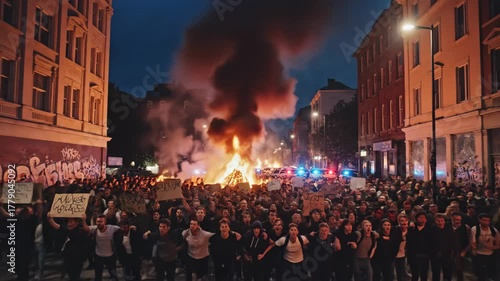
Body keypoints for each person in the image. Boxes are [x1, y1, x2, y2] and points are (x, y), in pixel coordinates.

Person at [46, 212, 89, 281]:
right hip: (68, 257)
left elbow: (87, 230)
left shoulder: (81, 231)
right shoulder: (67, 230)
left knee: (75, 276)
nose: (69, 223)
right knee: (71, 275)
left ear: (77, 222)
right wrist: (49, 218)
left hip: (78, 259)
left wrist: (84, 220)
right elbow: (55, 225)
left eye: (71, 221)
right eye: (68, 221)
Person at [83, 214, 121, 281]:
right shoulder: (95, 229)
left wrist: (131, 227)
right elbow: (86, 228)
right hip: (99, 256)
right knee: (98, 276)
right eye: (97, 221)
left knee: (113, 275)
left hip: (110, 256)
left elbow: (122, 228)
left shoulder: (112, 228)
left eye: (101, 222)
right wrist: (83, 220)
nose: (99, 223)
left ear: (105, 222)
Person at [470, 213, 500, 281]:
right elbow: (473, 243)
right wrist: (476, 247)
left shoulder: (494, 230)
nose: (486, 222)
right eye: (484, 220)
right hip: (479, 255)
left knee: (491, 274)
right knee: (481, 275)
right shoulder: (475, 229)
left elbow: (498, 246)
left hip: (490, 255)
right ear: (480, 220)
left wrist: (491, 247)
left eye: (488, 220)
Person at [407, 211, 432, 281]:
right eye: (421, 217)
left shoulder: (429, 229)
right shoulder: (411, 229)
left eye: (424, 218)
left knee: (424, 276)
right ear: (416, 219)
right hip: (413, 256)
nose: (423, 219)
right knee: (414, 275)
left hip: (425, 256)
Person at [430, 213, 455, 281]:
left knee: (447, 273)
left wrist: (449, 253)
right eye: (438, 221)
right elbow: (430, 243)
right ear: (435, 221)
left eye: (441, 220)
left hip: (447, 255)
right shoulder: (432, 229)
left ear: (444, 221)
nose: (440, 222)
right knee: (435, 273)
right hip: (435, 255)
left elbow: (452, 242)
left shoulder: (449, 229)